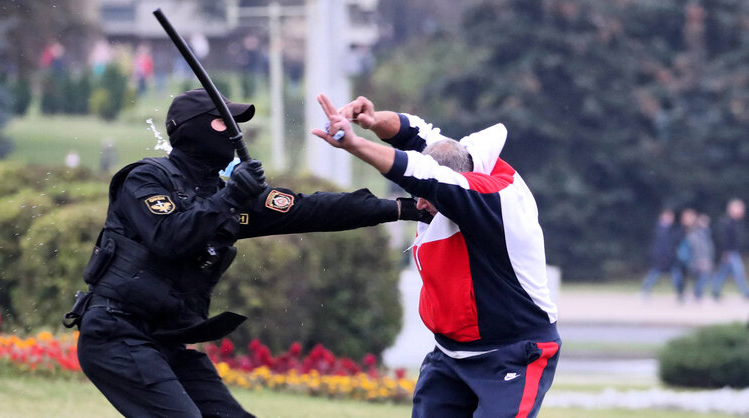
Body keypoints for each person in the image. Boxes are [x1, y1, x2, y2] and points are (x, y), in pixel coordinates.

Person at [67, 88, 427, 418]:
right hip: (116, 332)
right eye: (228, 122)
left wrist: (401, 207)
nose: (237, 131)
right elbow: (170, 237)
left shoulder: (229, 194)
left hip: (168, 341)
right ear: (197, 129)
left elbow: (311, 209)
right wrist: (231, 196)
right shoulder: (146, 179)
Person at [312, 94, 560, 418]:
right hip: (451, 354)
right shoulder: (459, 155)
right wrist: (373, 121)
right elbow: (414, 132)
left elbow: (421, 174)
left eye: (427, 198)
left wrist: (355, 144)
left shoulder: (492, 198)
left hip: (513, 352)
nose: (420, 205)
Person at [639, 209, 684, 299]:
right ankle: (644, 292)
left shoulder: (671, 229)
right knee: (654, 275)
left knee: (676, 276)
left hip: (670, 257)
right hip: (660, 257)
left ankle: (680, 294)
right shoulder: (659, 229)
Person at [711, 198, 748, 300]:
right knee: (739, 273)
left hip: (733, 251)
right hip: (730, 252)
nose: (742, 210)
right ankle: (746, 292)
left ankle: (715, 291)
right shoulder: (726, 222)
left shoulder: (737, 222)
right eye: (740, 208)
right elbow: (722, 238)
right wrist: (725, 252)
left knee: (722, 273)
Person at [688, 213, 715, 301]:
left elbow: (709, 247)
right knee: (704, 276)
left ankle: (698, 293)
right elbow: (697, 248)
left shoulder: (706, 233)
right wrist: (701, 259)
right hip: (699, 259)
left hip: (706, 258)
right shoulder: (696, 234)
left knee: (704, 277)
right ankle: (697, 293)